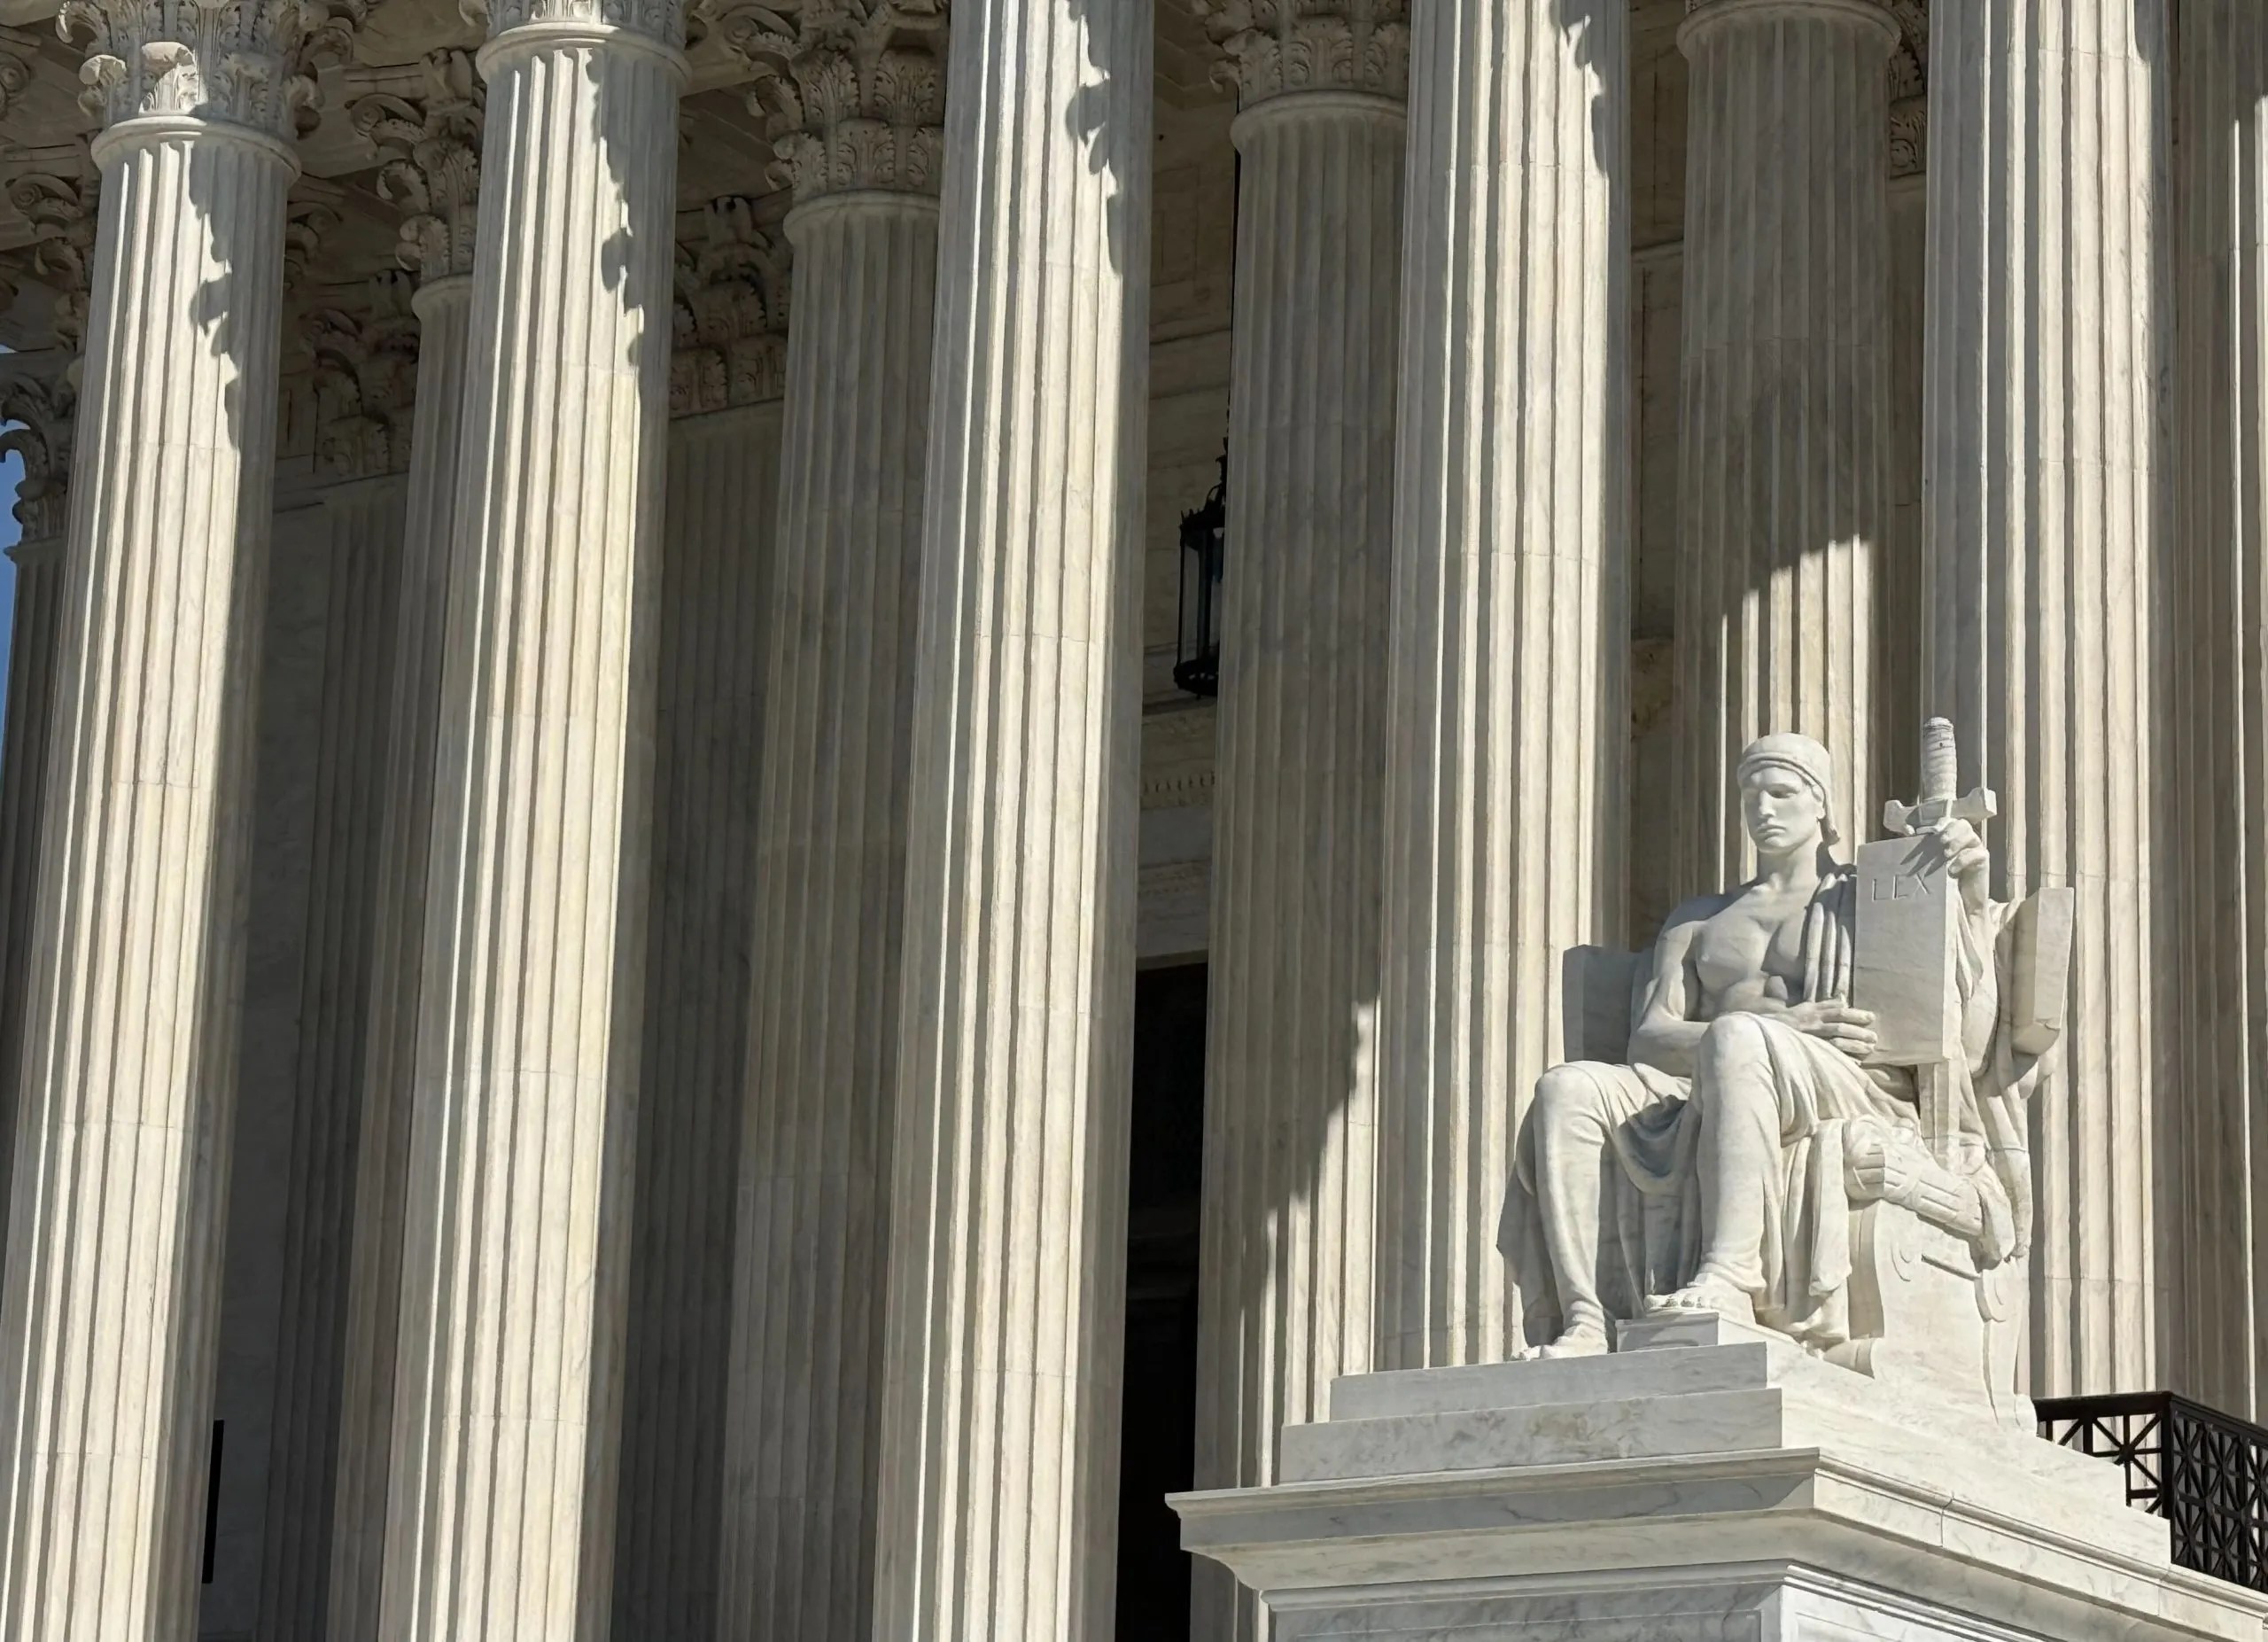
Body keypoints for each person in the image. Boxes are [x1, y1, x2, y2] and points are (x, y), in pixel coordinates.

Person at [1499, 732, 2017, 1358]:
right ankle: (1587, 1316)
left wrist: (1967, 895)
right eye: (1751, 795)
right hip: (1708, 1080)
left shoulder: (1866, 897)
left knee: (1736, 1038)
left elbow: (1963, 1031)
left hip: (1846, 1081)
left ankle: (1733, 1274)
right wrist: (1788, 1023)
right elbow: (1649, 1038)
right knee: (1566, 1088)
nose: (1763, 809)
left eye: (1781, 792)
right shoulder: (1698, 921)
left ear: (1820, 803)